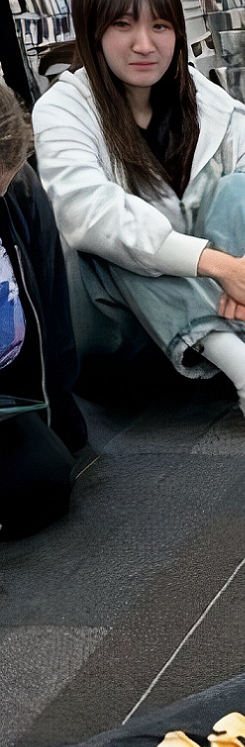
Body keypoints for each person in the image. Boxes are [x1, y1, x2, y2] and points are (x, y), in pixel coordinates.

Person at [32, 0, 245, 443]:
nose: (145, 43)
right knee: (120, 231)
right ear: (93, 29)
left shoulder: (195, 91)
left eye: (160, 26)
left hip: (226, 309)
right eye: (124, 24)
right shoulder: (63, 108)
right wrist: (224, 267)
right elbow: (89, 214)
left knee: (241, 187)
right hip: (122, 337)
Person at [0, 80, 87, 538]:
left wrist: (58, 412)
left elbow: (50, 310)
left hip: (12, 394)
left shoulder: (21, 189)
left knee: (45, 478)